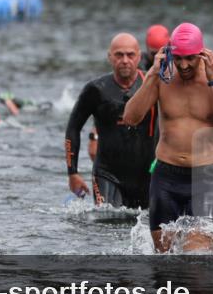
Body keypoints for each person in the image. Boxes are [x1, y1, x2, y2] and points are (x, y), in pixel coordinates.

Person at [123, 23, 213, 252]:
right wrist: (152, 76)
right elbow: (130, 118)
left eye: (190, 58)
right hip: (166, 177)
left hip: (204, 178)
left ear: (202, 53)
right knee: (164, 260)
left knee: (196, 263)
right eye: (178, 58)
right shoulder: (162, 75)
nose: (183, 65)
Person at [65, 33, 157, 209]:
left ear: (139, 56)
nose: (124, 60)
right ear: (109, 57)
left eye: (130, 55)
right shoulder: (96, 90)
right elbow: (73, 128)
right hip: (107, 174)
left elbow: (171, 123)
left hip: (146, 176)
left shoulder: (152, 85)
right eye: (119, 55)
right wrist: (72, 173)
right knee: (107, 223)